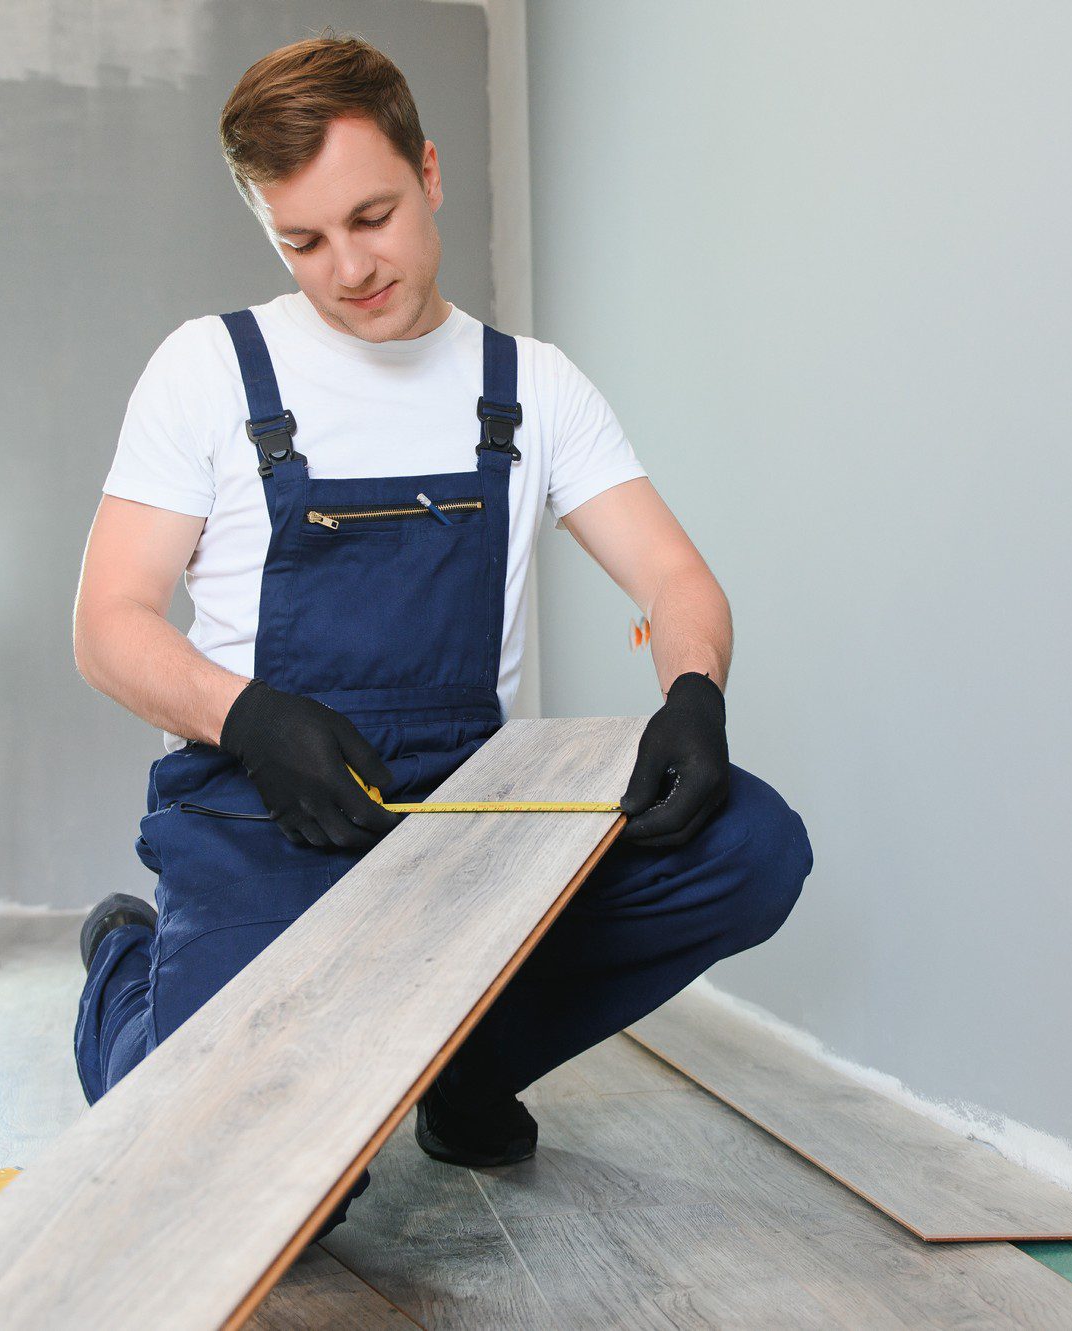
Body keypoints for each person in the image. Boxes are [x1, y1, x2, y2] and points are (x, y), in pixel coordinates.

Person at [69, 32, 811, 1235]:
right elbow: (106, 625)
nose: (348, 268)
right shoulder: (207, 370)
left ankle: (457, 1065)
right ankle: (123, 970)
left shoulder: (530, 385)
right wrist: (247, 716)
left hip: (463, 817)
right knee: (257, 1195)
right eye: (301, 241)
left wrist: (693, 694)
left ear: (428, 172)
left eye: (371, 216)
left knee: (753, 843)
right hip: (266, 809)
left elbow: (673, 575)